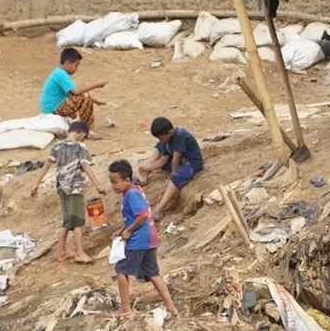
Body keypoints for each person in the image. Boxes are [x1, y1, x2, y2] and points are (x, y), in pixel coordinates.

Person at [107, 159, 179, 320]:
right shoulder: (134, 190)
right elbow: (133, 216)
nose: (113, 186)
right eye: (111, 182)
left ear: (127, 180)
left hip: (139, 239)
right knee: (153, 273)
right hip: (149, 238)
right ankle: (171, 306)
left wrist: (129, 231)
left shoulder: (131, 193)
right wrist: (121, 229)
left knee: (121, 270)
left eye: (115, 182)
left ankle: (125, 308)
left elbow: (142, 215)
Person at [29, 120, 107, 263]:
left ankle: (61, 253)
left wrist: (36, 183)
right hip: (74, 187)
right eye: (84, 136)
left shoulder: (57, 146)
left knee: (66, 221)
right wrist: (98, 185)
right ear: (81, 134)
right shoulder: (80, 148)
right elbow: (86, 167)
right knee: (77, 221)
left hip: (61, 188)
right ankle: (79, 253)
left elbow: (47, 166)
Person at [139, 117, 204, 217]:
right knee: (159, 147)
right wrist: (148, 168)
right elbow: (163, 159)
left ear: (169, 132)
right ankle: (145, 176)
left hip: (190, 163)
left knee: (176, 177)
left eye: (161, 138)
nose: (161, 140)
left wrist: (173, 175)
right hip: (180, 160)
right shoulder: (166, 140)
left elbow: (176, 160)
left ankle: (158, 210)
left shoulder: (180, 135)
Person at [40, 48, 108, 132]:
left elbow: (74, 93)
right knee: (84, 95)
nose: (76, 69)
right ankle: (86, 130)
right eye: (76, 65)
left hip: (52, 107)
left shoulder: (59, 73)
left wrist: (96, 102)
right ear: (67, 63)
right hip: (52, 109)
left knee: (83, 95)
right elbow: (77, 92)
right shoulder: (60, 74)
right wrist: (96, 85)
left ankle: (84, 128)